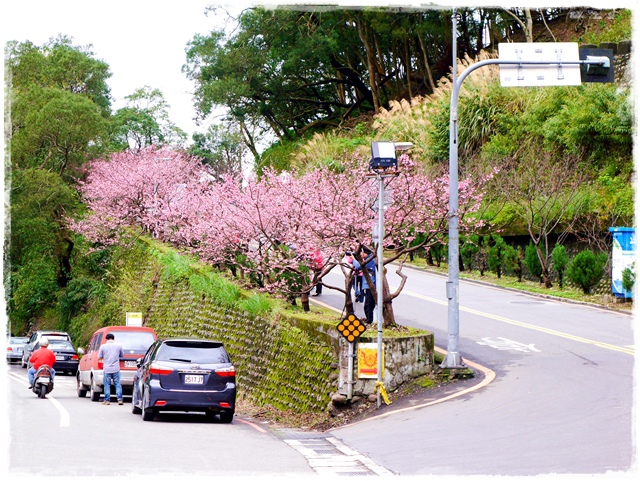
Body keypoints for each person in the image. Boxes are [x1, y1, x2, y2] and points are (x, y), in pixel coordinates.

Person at [348, 248, 377, 324]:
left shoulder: (370, 259)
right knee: (368, 304)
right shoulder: (370, 258)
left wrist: (354, 259)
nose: (360, 254)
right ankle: (369, 319)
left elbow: (359, 267)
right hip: (369, 284)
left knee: (368, 304)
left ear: (366, 253)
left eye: (361, 253)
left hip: (371, 285)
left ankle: (369, 321)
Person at [97, 332, 124, 405]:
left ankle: (107, 400)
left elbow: (99, 356)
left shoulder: (103, 346)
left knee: (107, 385)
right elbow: (122, 355)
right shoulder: (119, 346)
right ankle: (120, 399)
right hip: (116, 369)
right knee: (117, 384)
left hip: (107, 369)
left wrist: (105, 357)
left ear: (106, 339)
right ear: (113, 338)